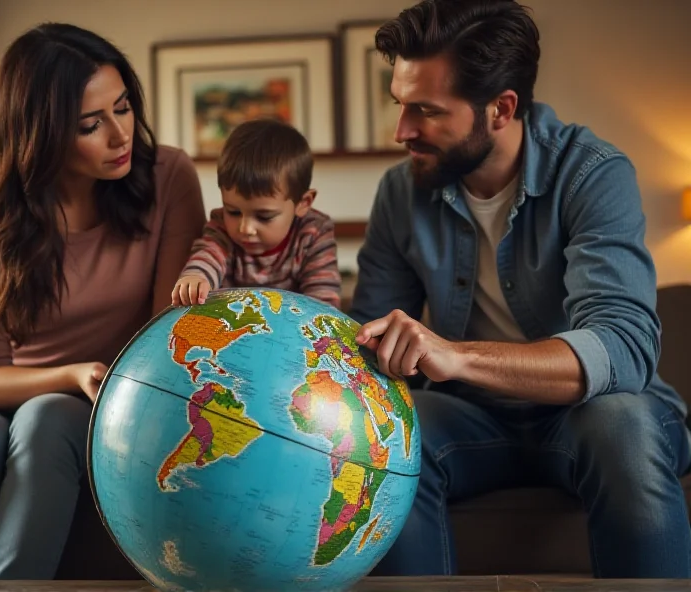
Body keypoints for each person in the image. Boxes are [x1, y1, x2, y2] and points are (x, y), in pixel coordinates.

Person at [350, 0, 691, 579]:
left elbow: (624, 348)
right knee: (383, 436)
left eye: (426, 111)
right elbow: (372, 344)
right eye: (400, 106)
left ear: (501, 108)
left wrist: (454, 356)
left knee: (623, 427)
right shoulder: (399, 193)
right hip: (472, 420)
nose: (402, 130)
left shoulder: (594, 173)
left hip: (591, 415)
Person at [0, 23, 206, 580]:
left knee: (51, 417)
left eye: (123, 109)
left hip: (101, 398)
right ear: (40, 132)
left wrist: (85, 385)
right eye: (90, 125)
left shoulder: (168, 176)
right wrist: (71, 373)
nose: (121, 136)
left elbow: (168, 336)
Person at [172, 118, 341, 308]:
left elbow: (323, 305)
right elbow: (208, 255)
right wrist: (196, 277)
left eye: (264, 216)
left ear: (303, 203)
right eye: (233, 212)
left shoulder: (314, 233)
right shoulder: (221, 229)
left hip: (294, 333)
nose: (246, 228)